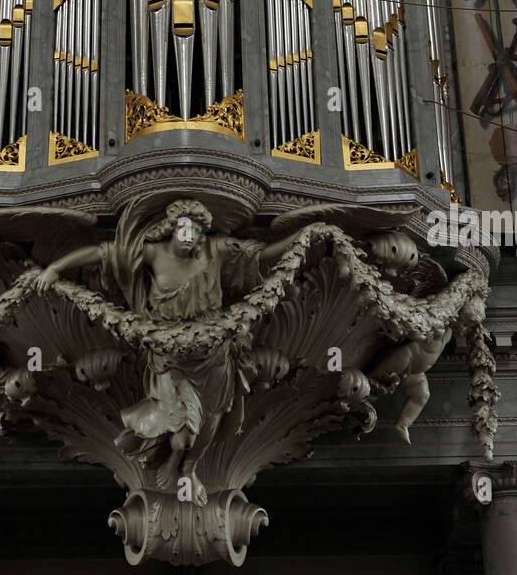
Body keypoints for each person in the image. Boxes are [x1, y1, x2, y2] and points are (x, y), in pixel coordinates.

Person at [38, 198, 321, 501]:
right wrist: (56, 267)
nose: (189, 234)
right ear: (172, 228)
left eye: (195, 230)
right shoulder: (154, 253)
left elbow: (262, 254)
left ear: (202, 234)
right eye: (183, 227)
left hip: (215, 354)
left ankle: (189, 470)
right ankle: (178, 460)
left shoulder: (216, 249)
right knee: (184, 430)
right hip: (170, 353)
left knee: (211, 418)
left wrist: (304, 235)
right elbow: (104, 252)